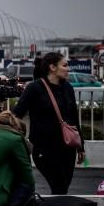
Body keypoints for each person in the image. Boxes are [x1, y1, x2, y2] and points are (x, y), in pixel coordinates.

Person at [12, 52, 85, 194]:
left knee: (62, 188)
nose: (68, 69)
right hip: (44, 148)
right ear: (52, 67)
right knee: (59, 185)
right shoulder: (35, 88)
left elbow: (74, 118)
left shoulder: (68, 88)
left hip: (67, 148)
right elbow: (17, 113)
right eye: (64, 65)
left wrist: (80, 146)